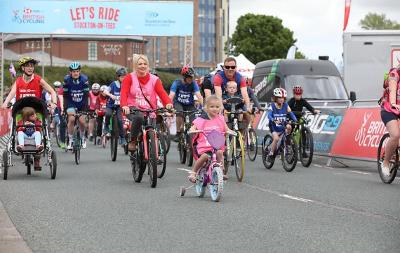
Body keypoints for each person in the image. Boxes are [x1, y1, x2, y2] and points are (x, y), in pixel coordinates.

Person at [1, 56, 57, 169]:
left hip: (36, 110)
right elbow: (11, 93)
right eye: (28, 66)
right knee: (17, 126)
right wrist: (4, 104)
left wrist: (53, 103)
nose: (30, 68)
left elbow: (52, 91)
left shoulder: (38, 79)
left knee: (40, 127)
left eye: (32, 66)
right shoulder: (18, 81)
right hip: (21, 110)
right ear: (23, 68)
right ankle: (19, 144)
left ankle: (37, 157)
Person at [120, 54, 173, 152]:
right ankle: (133, 141)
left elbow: (162, 93)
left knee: (153, 130)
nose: (143, 66)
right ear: (135, 66)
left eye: (145, 64)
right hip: (133, 109)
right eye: (140, 64)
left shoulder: (155, 79)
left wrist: (168, 103)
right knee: (139, 117)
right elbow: (124, 93)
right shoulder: (129, 78)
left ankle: (155, 153)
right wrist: (124, 105)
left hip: (150, 110)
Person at [188, 95, 233, 183]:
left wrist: (230, 131)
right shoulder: (201, 119)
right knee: (205, 156)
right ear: (206, 108)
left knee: (220, 152)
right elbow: (193, 127)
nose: (215, 109)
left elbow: (226, 128)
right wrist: (192, 130)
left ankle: (220, 170)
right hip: (204, 146)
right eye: (212, 107)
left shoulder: (221, 118)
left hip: (216, 144)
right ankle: (193, 172)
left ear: (220, 108)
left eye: (217, 107)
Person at [213, 57, 252, 129]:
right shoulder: (218, 77)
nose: (230, 69)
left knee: (248, 113)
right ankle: (225, 133)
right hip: (223, 101)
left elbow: (245, 94)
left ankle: (246, 133)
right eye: (227, 67)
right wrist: (221, 106)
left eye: (232, 67)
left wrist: (248, 106)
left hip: (237, 102)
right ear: (224, 67)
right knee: (220, 114)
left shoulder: (240, 78)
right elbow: (218, 94)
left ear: (236, 68)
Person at [169, 65, 203, 141]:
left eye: (192, 77)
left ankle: (192, 137)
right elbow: (171, 95)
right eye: (189, 77)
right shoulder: (177, 83)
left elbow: (199, 95)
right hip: (179, 103)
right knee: (179, 113)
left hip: (189, 104)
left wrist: (204, 106)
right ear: (184, 77)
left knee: (193, 120)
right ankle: (178, 132)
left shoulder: (193, 83)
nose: (191, 79)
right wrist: (168, 105)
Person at [63, 61, 90, 150]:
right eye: (73, 71)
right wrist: (65, 107)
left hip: (82, 103)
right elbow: (65, 96)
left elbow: (86, 96)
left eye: (77, 71)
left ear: (80, 71)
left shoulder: (84, 80)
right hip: (71, 103)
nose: (75, 73)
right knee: (71, 119)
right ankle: (70, 140)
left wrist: (86, 108)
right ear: (70, 72)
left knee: (82, 121)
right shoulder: (67, 80)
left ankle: (82, 138)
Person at [380, 66, 400, 176]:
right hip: (389, 109)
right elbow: (392, 90)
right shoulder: (394, 74)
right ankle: (386, 162)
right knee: (396, 135)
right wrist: (393, 103)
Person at [267, 88, 297, 158]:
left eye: (283, 98)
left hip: (283, 123)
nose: (282, 99)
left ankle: (287, 144)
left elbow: (291, 113)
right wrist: (274, 120)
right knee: (276, 139)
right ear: (275, 98)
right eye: (280, 98)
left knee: (289, 127)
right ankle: (270, 153)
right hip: (273, 126)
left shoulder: (286, 105)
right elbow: (269, 115)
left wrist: (295, 120)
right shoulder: (272, 105)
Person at [103, 68, 127, 145]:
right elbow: (105, 91)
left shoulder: (127, 85)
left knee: (120, 120)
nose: (123, 78)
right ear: (118, 77)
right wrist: (111, 95)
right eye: (121, 77)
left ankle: (122, 138)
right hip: (110, 105)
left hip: (119, 106)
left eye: (124, 76)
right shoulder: (113, 84)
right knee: (108, 114)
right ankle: (106, 126)